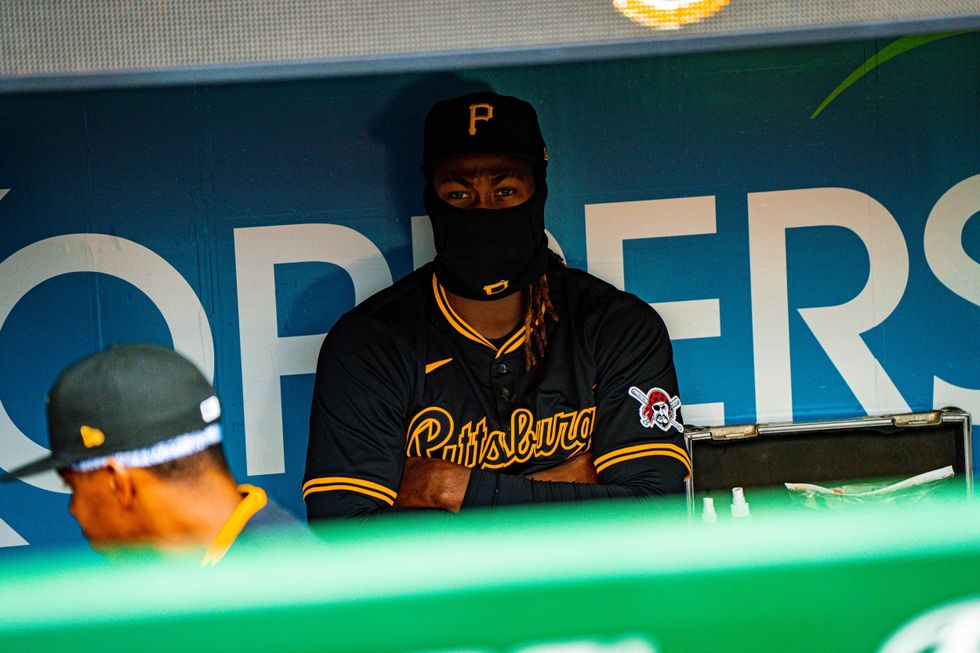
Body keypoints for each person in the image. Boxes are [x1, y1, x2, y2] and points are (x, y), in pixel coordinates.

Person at [304, 91, 690, 519]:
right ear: (431, 200)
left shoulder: (616, 326)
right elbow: (344, 529)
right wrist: (568, 484)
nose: (483, 210)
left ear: (537, 194)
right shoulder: (370, 342)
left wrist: (448, 489)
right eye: (459, 194)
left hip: (586, 587)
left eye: (505, 190)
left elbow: (655, 509)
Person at [1, 343, 302, 565]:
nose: (74, 509)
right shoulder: (200, 577)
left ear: (119, 484)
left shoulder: (292, 601)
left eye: (72, 486)